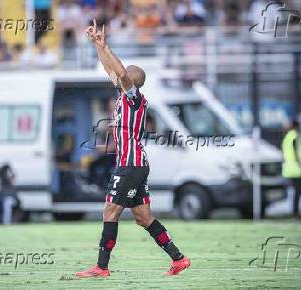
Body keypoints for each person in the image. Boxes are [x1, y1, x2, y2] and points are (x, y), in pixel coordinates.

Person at [75, 20, 191, 278]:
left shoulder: (134, 97)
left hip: (131, 164)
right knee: (143, 217)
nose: (118, 75)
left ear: (132, 81)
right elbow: (110, 69)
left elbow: (120, 72)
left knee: (110, 211)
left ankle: (101, 267)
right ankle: (179, 259)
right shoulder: (125, 95)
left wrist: (107, 46)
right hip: (136, 163)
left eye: (124, 74)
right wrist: (98, 45)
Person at [282, 120, 301, 218]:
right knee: (298, 193)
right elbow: (296, 153)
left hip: (288, 169)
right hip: (297, 169)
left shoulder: (287, 137)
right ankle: (296, 213)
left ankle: (294, 212)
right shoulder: (295, 137)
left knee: (295, 193)